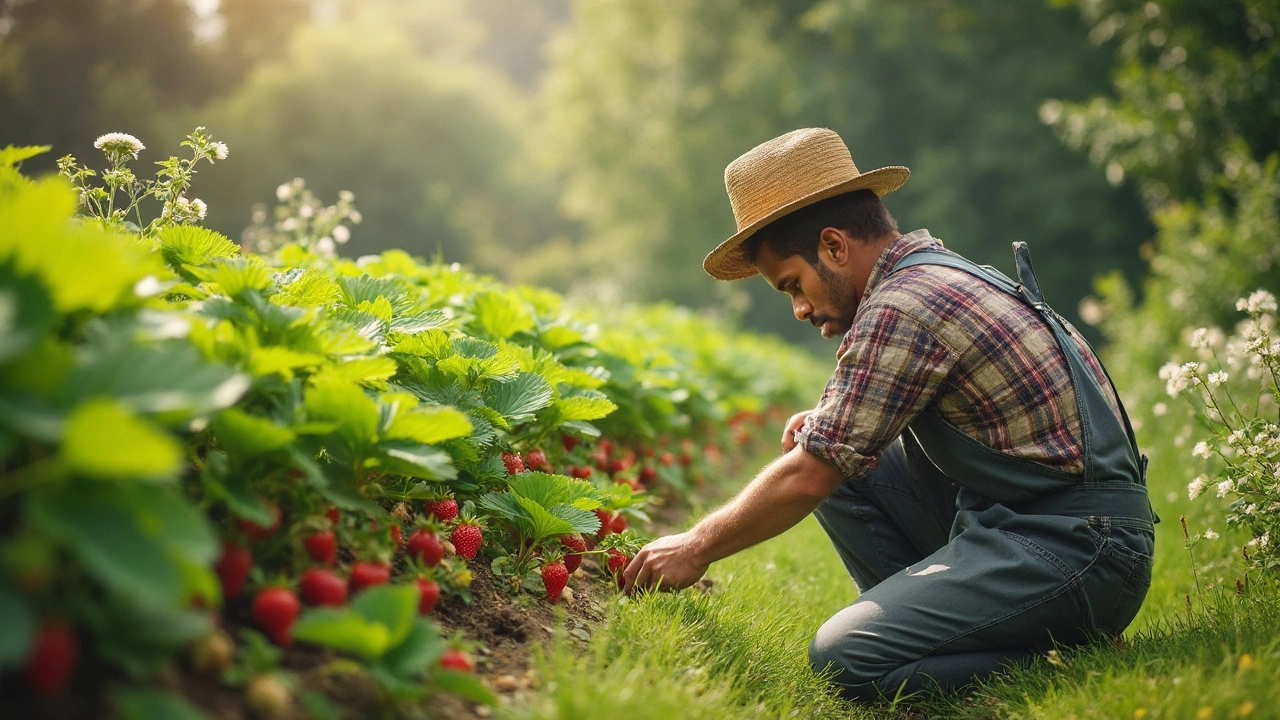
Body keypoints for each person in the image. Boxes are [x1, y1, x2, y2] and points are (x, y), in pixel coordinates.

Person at [620, 127, 1157, 701]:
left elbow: (809, 476)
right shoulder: (931, 271)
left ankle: (1063, 657)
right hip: (1045, 525)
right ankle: (936, 628)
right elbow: (833, 451)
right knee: (833, 453)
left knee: (843, 661)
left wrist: (695, 545)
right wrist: (828, 430)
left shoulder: (902, 306)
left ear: (833, 246)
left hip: (1081, 548)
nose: (799, 308)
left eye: (792, 286)